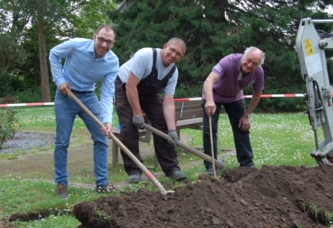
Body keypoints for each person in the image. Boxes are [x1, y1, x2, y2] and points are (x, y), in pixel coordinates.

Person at [49, 25, 119, 199]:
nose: (103, 45)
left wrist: (107, 120)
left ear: (113, 43)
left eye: (108, 42)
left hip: (88, 97)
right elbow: (54, 54)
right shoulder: (76, 45)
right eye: (101, 39)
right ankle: (61, 183)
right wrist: (59, 80)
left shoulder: (112, 62)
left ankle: (102, 183)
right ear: (95, 37)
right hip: (66, 95)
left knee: (101, 137)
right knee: (62, 141)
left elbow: (107, 92)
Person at [114, 38, 187, 183]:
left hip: (149, 93)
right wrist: (137, 113)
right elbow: (130, 86)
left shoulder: (173, 72)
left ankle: (171, 168)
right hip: (125, 87)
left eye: (178, 54)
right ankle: (134, 170)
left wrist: (172, 130)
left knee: (164, 124)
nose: (173, 55)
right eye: (172, 50)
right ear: (165, 46)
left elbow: (168, 102)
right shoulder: (145, 56)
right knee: (129, 126)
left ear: (181, 57)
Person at [202, 46, 265, 175]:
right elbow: (209, 80)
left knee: (242, 127)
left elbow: (257, 94)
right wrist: (209, 101)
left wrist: (246, 115)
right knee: (210, 129)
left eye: (254, 64)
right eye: (248, 60)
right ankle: (211, 165)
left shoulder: (258, 72)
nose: (249, 65)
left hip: (234, 97)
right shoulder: (228, 61)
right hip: (213, 94)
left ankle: (247, 165)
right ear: (243, 56)